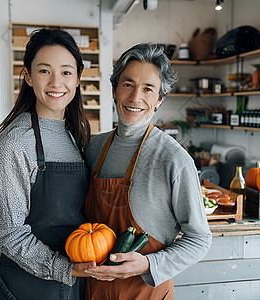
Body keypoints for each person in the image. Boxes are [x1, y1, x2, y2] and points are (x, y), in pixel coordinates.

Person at [83, 42, 212, 299]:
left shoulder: (174, 159)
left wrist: (149, 264)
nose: (135, 98)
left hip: (144, 291)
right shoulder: (94, 148)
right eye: (128, 85)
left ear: (158, 101)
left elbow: (199, 240)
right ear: (114, 90)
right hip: (93, 289)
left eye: (148, 89)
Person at [0, 28, 95, 300]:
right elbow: (10, 234)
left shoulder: (74, 134)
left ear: (79, 78)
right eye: (45, 71)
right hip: (27, 286)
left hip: (71, 281)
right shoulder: (15, 143)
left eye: (66, 72)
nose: (57, 82)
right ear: (28, 77)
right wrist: (66, 268)